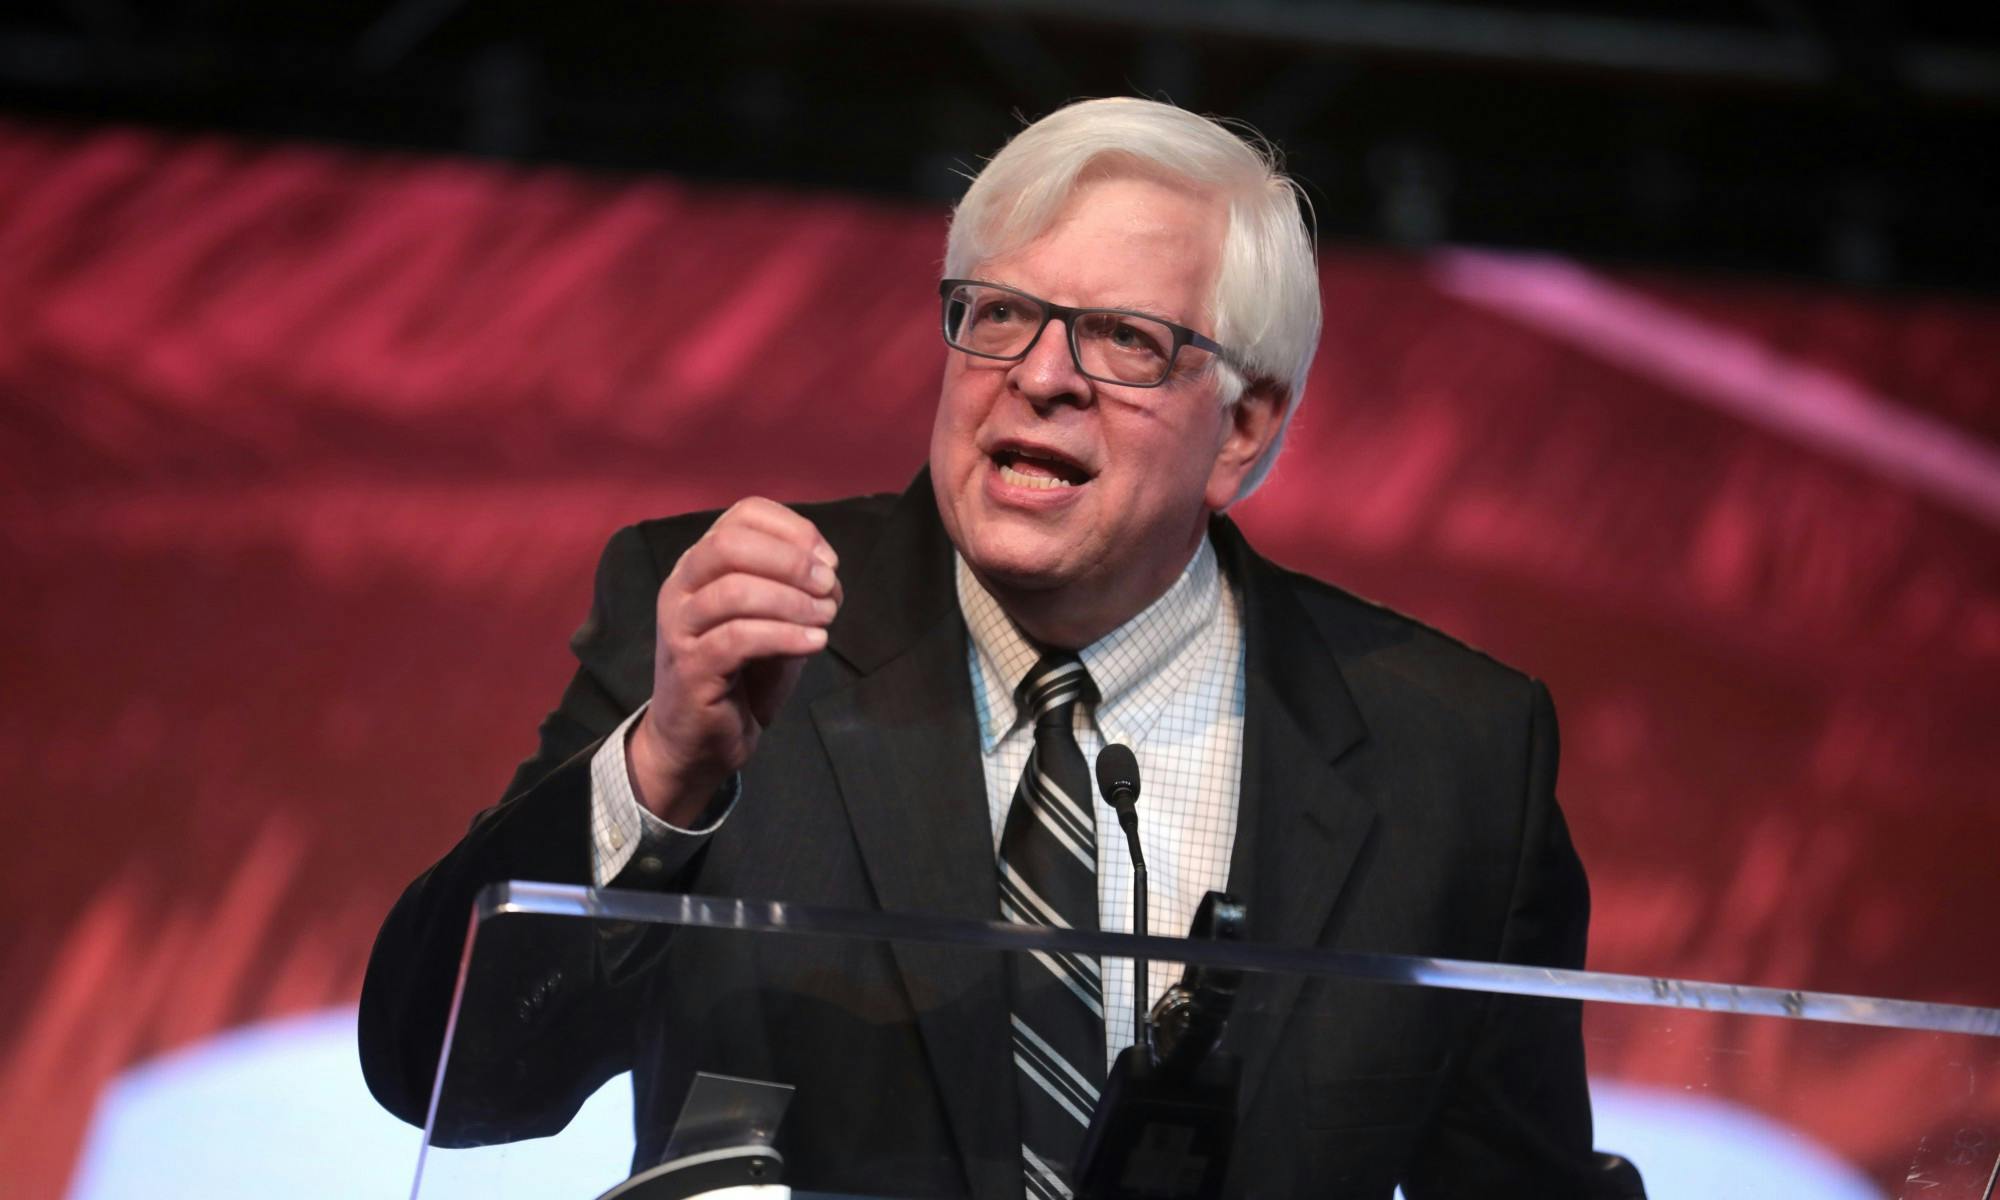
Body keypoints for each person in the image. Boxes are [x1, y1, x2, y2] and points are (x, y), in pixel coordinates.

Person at [361, 97, 1627, 1198]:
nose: (1040, 377)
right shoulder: (729, 625)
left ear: (1240, 428)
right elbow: (446, 1080)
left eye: (1126, 339)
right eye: (1000, 313)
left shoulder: (1450, 753)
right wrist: (657, 778)